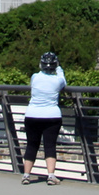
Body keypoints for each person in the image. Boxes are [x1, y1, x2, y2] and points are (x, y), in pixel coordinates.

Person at [22, 52, 66, 185]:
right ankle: (51, 175)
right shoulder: (58, 80)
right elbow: (63, 80)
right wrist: (59, 69)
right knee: (50, 146)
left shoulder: (34, 77)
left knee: (31, 145)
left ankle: (26, 175)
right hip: (51, 115)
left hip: (32, 114)